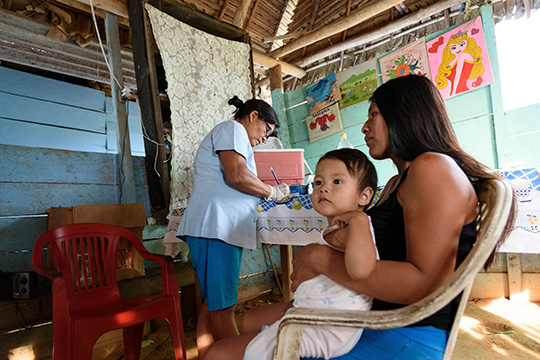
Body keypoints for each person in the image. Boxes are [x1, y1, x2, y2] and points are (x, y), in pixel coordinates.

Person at [204, 75, 514, 360]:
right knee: (248, 320)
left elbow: (425, 284)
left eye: (374, 114)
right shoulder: (399, 181)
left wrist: (320, 259)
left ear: (404, 115)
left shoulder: (432, 169)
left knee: (218, 355)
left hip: (402, 330)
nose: (365, 127)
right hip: (373, 310)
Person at [176, 96, 290, 359]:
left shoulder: (237, 139)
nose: (265, 138)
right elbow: (237, 175)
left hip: (214, 228)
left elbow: (242, 175)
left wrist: (264, 190)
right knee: (223, 309)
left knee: (211, 305)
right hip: (216, 228)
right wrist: (272, 191)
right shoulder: (233, 129)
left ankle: (209, 356)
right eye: (267, 130)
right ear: (253, 116)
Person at [243, 148, 379, 360]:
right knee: (256, 343)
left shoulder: (354, 228)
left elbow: (361, 270)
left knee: (254, 353)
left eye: (337, 182)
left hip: (330, 328)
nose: (324, 188)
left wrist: (359, 220)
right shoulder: (338, 229)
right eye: (318, 182)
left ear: (364, 195)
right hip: (317, 318)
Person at [435, 29, 485, 97]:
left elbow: (458, 74)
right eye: (454, 48)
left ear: (468, 43)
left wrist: (453, 93)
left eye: (461, 45)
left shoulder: (464, 55)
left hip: (458, 91)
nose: (458, 49)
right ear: (449, 49)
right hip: (453, 93)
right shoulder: (452, 61)